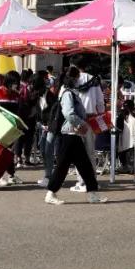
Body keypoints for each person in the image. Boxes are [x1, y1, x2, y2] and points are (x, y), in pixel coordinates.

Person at [44, 66, 107, 205]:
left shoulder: (71, 92)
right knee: (64, 166)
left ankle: (92, 193)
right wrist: (81, 124)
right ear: (72, 79)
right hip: (71, 133)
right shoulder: (68, 93)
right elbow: (69, 113)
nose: (80, 80)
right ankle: (51, 193)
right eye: (77, 78)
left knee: (83, 165)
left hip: (73, 133)